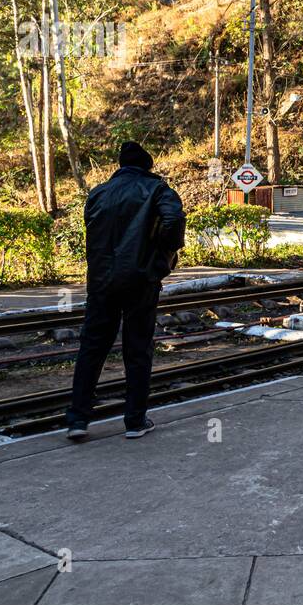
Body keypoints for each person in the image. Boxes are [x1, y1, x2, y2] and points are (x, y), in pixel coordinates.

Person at [65, 141, 186, 441]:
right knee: (137, 349)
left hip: (102, 281)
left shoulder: (98, 193)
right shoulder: (158, 190)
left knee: (92, 348)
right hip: (140, 279)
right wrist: (161, 259)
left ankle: (77, 421)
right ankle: (134, 421)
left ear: (120, 166)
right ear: (147, 166)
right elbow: (173, 220)